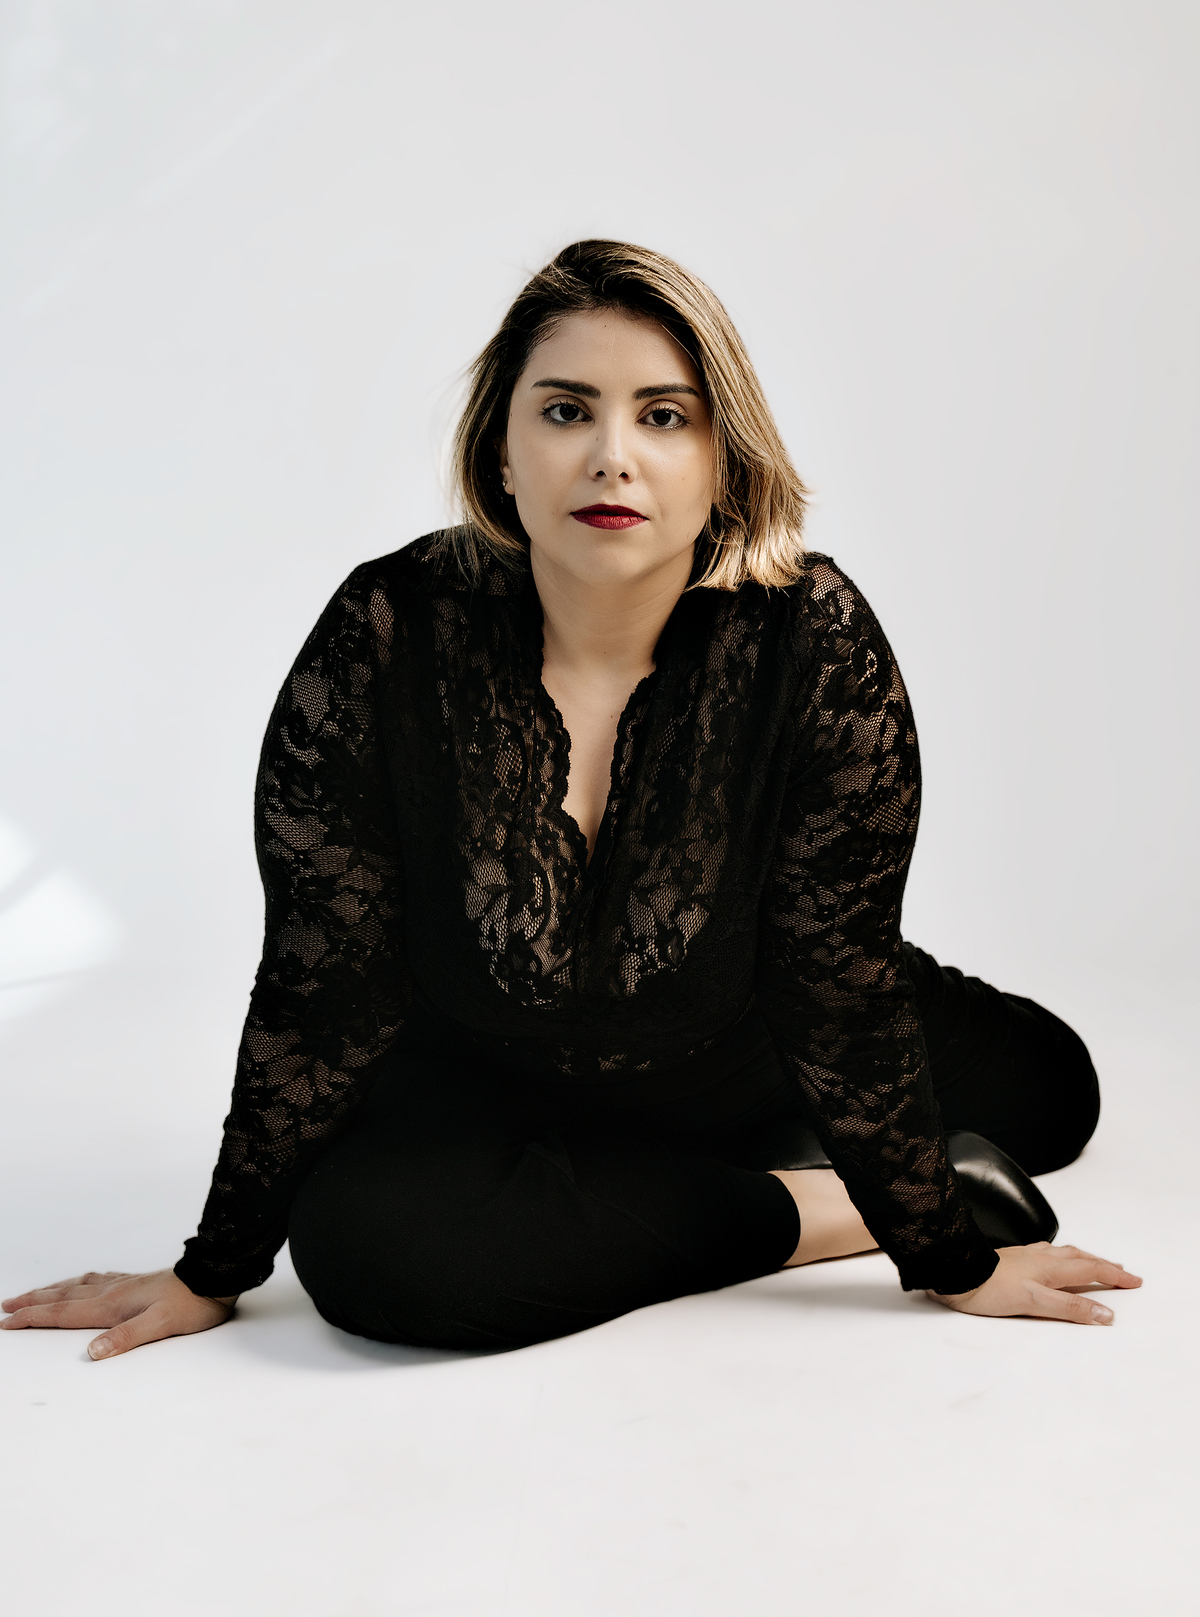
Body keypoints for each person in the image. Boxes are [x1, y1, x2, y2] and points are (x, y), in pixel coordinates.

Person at [2, 240, 1139, 1359]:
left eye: (664, 415)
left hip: (752, 1018)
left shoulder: (811, 633)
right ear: (501, 452)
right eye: (564, 411)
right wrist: (213, 1270)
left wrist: (951, 1263)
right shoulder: (387, 631)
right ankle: (814, 1205)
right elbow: (322, 980)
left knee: (1055, 1097)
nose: (611, 458)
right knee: (369, 1253)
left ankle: (763, 1150)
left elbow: (832, 977)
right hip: (487, 1071)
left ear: (724, 461)